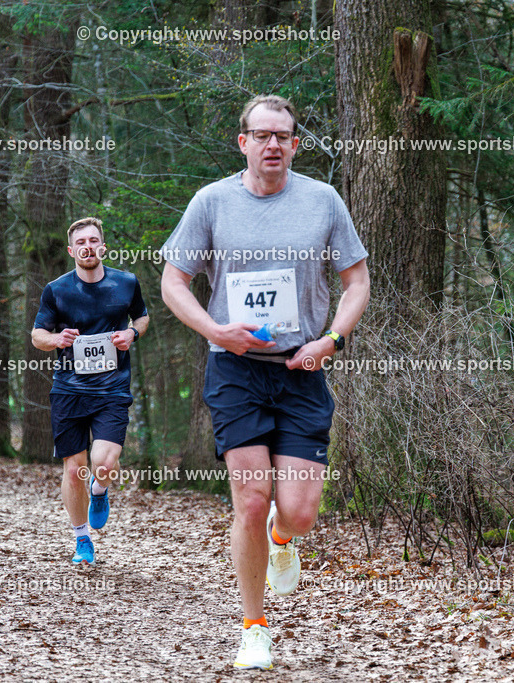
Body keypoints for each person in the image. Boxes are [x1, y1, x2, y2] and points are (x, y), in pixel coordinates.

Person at [160, 95, 370, 670]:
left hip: (301, 370)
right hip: (236, 372)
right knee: (251, 501)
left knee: (296, 512)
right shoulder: (212, 203)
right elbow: (173, 281)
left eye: (283, 136)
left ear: (295, 145)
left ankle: (284, 541)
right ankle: (254, 629)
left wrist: (333, 340)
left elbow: (356, 281)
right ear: (243, 142)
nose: (272, 144)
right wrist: (215, 330)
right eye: (262, 135)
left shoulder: (323, 201)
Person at [31, 217, 149, 566]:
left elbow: (141, 317)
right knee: (73, 469)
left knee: (104, 462)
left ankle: (100, 490)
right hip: (69, 389)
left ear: (103, 246)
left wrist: (132, 334)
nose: (87, 246)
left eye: (93, 240)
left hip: (112, 388)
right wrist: (56, 339)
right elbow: (37, 335)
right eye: (80, 242)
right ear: (71, 250)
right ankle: (82, 539)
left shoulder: (126, 283)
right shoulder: (56, 289)